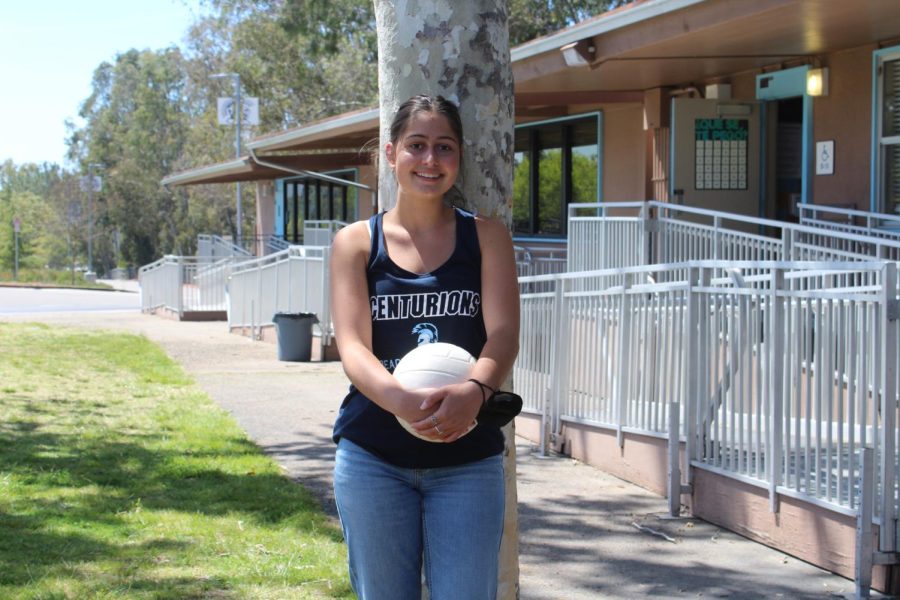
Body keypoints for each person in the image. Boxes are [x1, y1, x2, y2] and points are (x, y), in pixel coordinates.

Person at [329, 94, 520, 600]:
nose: (430, 160)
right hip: (373, 458)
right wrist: (402, 403)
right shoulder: (355, 242)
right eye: (417, 145)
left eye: (444, 147)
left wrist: (475, 394)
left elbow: (503, 334)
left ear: (459, 157)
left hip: (468, 461)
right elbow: (351, 346)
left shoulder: (487, 237)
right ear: (390, 154)